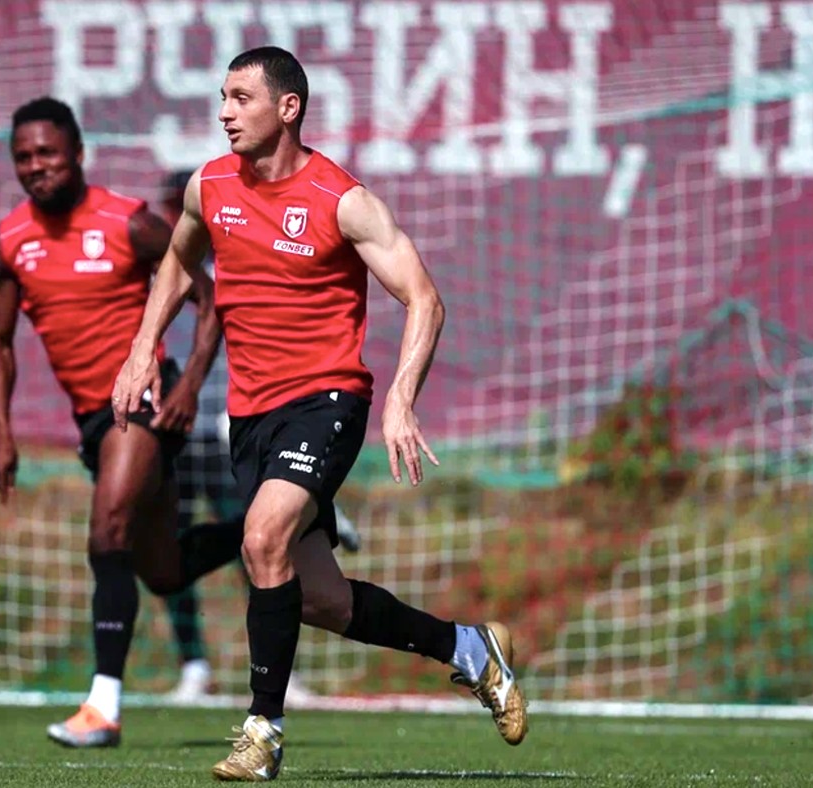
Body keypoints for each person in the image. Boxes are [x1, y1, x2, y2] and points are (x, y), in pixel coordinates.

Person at [112, 47, 528, 780]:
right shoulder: (210, 186)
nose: (225, 112)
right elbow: (177, 261)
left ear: (288, 108)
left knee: (261, 537)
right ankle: (468, 649)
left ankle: (262, 732)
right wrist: (143, 348)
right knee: (322, 601)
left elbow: (424, 299)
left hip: (328, 401)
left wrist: (401, 396)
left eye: (241, 98)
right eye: (222, 97)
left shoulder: (342, 200)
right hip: (251, 417)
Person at [0, 97, 244, 749]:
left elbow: (210, 298)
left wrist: (188, 386)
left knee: (107, 534)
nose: (36, 166)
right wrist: (1, 434)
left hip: (145, 400)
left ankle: (102, 708)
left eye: (47, 153)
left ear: (77, 154)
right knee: (163, 571)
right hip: (93, 421)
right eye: (23, 157)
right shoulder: (11, 239)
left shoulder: (128, 223)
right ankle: (298, 520)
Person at [155, 170, 362, 704]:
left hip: (231, 434)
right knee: (171, 554)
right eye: (171, 211)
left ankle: (278, 672)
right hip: (176, 437)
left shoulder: (239, 263)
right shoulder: (163, 275)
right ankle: (193, 665)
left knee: (260, 547)